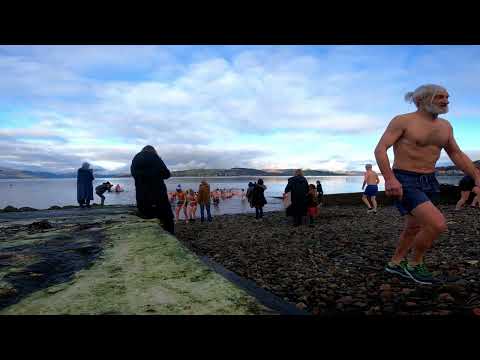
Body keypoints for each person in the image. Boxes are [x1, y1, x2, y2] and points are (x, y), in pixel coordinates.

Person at [375, 84, 480, 285]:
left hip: (430, 180)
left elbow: (456, 154)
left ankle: (395, 263)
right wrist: (389, 178)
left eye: (447, 97)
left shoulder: (446, 126)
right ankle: (414, 265)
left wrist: (476, 176)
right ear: (420, 100)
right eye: (440, 97)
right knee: (437, 224)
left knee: (414, 226)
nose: (446, 100)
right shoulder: (403, 121)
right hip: (405, 179)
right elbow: (380, 149)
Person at [130, 145, 174, 235]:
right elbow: (166, 174)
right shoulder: (154, 157)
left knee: (146, 217)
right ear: (153, 151)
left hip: (141, 197)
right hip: (158, 196)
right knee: (167, 218)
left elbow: (134, 174)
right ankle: (170, 237)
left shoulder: (135, 159)